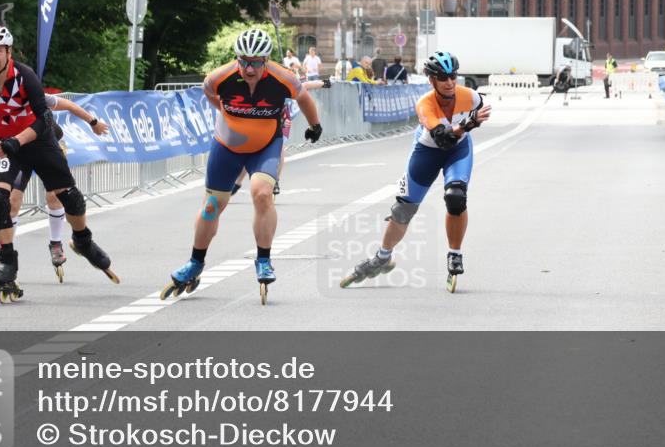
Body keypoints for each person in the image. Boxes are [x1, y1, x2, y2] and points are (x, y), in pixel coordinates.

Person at [0, 24, 118, 304]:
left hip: (38, 141)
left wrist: (91, 122)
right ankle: (7, 260)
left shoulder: (25, 76)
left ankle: (83, 241)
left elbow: (45, 118)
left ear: (8, 52)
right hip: (6, 146)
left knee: (68, 198)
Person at [160, 28, 322, 304]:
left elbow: (303, 97)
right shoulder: (219, 77)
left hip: (264, 147)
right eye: (243, 61)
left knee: (261, 193)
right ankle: (196, 262)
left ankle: (263, 259)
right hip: (227, 147)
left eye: (256, 62)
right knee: (212, 206)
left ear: (266, 60)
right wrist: (229, 117)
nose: (248, 68)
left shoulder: (283, 78)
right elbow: (210, 93)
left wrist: (314, 125)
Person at [343, 51, 492, 293]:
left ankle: (454, 254)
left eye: (453, 75)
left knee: (456, 196)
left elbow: (477, 115)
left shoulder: (471, 97)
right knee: (402, 210)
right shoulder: (425, 104)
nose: (450, 82)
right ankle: (382, 257)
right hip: (428, 151)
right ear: (432, 80)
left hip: (458, 151)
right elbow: (442, 138)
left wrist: (473, 121)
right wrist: (467, 124)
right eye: (443, 77)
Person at [0, 94, 110, 284]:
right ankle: (5, 254)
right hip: (18, 151)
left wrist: (93, 122)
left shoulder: (29, 93)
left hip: (48, 144)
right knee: (10, 202)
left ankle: (56, 242)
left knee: (55, 195)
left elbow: (68, 104)